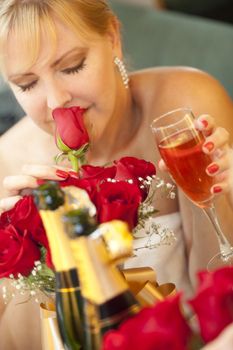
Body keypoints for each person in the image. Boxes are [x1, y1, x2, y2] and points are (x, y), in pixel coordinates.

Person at [0, 0, 232, 349]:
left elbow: (218, 295)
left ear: (112, 38)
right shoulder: (10, 162)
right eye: (27, 84)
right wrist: (27, 260)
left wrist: (209, 192)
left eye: (72, 66)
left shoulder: (182, 107)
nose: (56, 102)